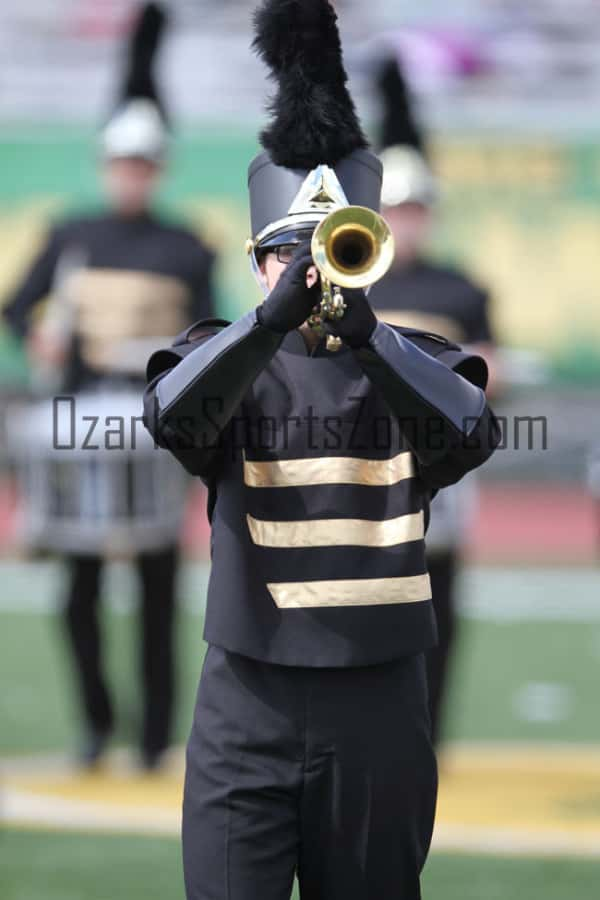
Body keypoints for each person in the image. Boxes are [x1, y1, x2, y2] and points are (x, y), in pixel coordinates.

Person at [144, 1, 499, 897]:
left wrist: (373, 335)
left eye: (333, 251)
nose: (309, 272)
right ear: (262, 263)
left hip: (379, 705)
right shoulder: (214, 357)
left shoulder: (422, 359)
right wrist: (268, 325)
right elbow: (173, 418)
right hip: (245, 702)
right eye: (289, 256)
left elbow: (470, 435)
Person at [2, 3, 215, 769]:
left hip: (154, 419)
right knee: (79, 586)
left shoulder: (188, 243)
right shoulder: (70, 235)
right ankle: (96, 723)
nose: (132, 175)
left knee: (160, 587)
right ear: (106, 166)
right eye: (122, 164)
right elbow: (17, 307)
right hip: (82, 413)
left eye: (144, 165)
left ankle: (157, 736)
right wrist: (39, 334)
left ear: (158, 168)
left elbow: (209, 335)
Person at [369, 53, 499, 744]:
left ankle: (432, 726)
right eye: (396, 208)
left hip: (439, 462)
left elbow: (490, 367)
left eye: (416, 209)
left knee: (439, 598)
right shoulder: (355, 276)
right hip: (366, 464)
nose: (408, 221)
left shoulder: (461, 287)